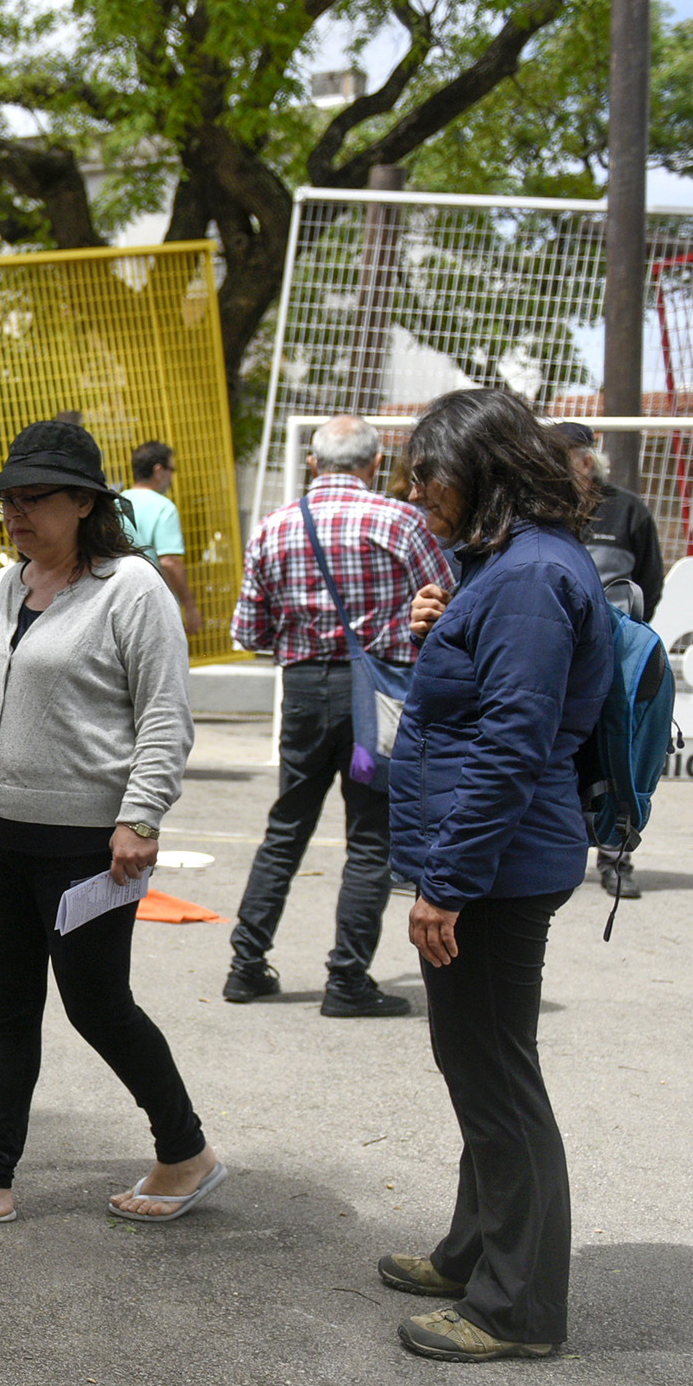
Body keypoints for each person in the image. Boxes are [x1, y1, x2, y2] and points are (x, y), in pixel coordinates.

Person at [0, 413, 216, 1228]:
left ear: (85, 503)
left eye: (32, 500)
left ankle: (187, 1151)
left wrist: (142, 815)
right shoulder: (3, 587)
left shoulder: (131, 590)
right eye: (6, 502)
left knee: (100, 1007)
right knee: (7, 1006)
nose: (14, 515)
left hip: (88, 847)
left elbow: (167, 716)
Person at [383, 387, 611, 1362]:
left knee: (496, 1077)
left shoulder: (525, 578)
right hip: (495, 858)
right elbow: (470, 702)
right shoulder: (507, 568)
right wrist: (440, 622)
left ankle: (515, 1307)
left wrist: (449, 881)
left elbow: (513, 742)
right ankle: (473, 1249)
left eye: (428, 473)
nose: (415, 493)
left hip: (496, 868)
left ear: (482, 468)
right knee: (479, 1063)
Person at [223, 415, 456, 1017]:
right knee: (371, 837)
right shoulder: (403, 522)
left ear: (312, 462)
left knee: (287, 827)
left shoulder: (274, 528)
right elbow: (449, 603)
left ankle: (246, 964)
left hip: (303, 691)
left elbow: (249, 632)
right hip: (378, 693)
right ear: (376, 465)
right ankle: (347, 979)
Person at [557, 421, 665, 901]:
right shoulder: (544, 509)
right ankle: (556, 855)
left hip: (611, 659)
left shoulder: (628, 511)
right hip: (554, 656)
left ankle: (616, 858)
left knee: (615, 756)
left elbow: (648, 585)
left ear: (589, 460)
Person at [119, 440, 203, 634]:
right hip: (154, 607)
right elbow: (170, 562)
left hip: (118, 601)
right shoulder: (164, 508)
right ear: (159, 470)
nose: (172, 477)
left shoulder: (115, 503)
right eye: (171, 470)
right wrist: (189, 606)